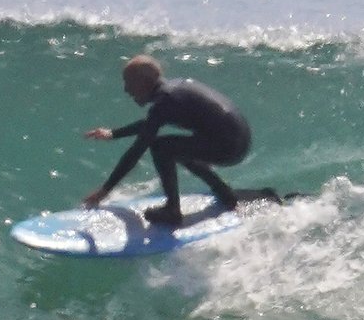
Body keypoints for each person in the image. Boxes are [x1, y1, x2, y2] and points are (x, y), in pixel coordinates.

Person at [82, 55, 261, 229]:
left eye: (129, 83)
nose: (126, 90)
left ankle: (172, 210)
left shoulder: (165, 101)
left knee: (161, 147)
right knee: (176, 147)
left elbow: (138, 149)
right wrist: (113, 134)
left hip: (230, 147)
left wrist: (105, 190)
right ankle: (224, 192)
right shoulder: (172, 90)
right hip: (238, 139)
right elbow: (150, 124)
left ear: (145, 82)